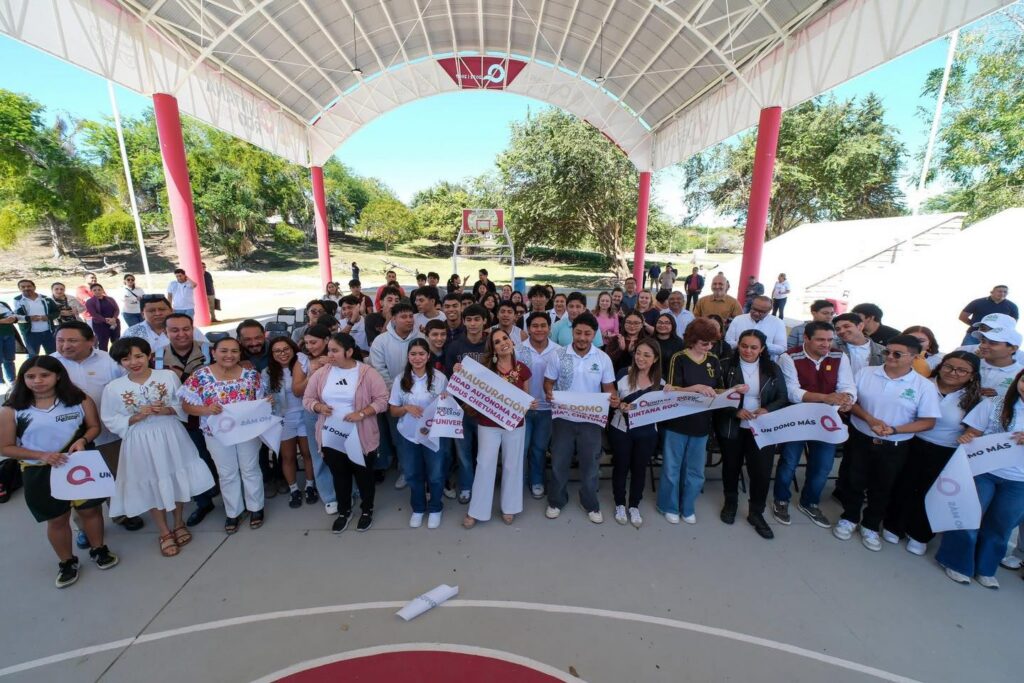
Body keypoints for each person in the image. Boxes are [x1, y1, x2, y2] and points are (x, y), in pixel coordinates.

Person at [0, 356, 117, 588]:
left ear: (58, 376)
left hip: (79, 464)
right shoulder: (11, 410)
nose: (37, 381)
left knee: (90, 510)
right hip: (40, 471)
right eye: (30, 376)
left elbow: (94, 427)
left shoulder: (79, 399)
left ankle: (99, 549)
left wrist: (83, 440)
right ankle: (67, 562)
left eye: (44, 375)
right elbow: (5, 447)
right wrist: (41, 455)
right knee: (56, 519)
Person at [102, 338, 214, 557]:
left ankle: (179, 522)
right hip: (139, 440)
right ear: (120, 362)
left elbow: (182, 402)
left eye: (138, 356)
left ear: (149, 356)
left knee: (176, 476)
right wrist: (136, 416)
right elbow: (109, 418)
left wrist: (168, 410)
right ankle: (163, 531)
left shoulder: (167, 376)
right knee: (152, 481)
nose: (134, 362)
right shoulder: (113, 388)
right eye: (126, 359)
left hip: (170, 433)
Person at [833, 335, 942, 551]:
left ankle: (871, 525)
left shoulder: (923, 386)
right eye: (887, 351)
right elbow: (852, 402)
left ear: (914, 357)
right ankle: (849, 517)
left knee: (883, 486)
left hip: (895, 445)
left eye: (897, 354)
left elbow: (928, 422)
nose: (890, 357)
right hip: (861, 437)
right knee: (853, 480)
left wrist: (894, 430)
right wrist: (870, 419)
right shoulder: (866, 373)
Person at [883, 351, 982, 556]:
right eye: (948, 367)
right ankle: (893, 524)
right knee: (902, 485)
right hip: (911, 441)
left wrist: (969, 435)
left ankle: (920, 534)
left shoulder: (975, 399)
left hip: (946, 451)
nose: (953, 373)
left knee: (932, 492)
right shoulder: (921, 384)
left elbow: (975, 429)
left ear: (972, 375)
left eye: (962, 370)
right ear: (940, 366)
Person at [936, 368, 1024, 587]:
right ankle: (955, 562)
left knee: (1002, 524)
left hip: (1019, 481)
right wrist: (968, 437)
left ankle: (986, 568)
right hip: (983, 470)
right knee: (968, 516)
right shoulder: (994, 404)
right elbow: (973, 431)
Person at [302, 333, 389, 533]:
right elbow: (307, 399)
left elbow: (382, 400)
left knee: (364, 475)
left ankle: (366, 510)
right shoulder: (321, 374)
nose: (330, 355)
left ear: (349, 352)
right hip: (331, 435)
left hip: (361, 436)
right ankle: (344, 511)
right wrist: (318, 407)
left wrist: (362, 413)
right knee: (339, 475)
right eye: (329, 350)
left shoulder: (367, 373)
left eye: (335, 351)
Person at [179, 337, 267, 534]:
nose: (229, 355)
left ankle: (256, 507)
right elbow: (186, 405)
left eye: (234, 351)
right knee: (227, 473)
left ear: (240, 353)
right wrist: (206, 409)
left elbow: (260, 402)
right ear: (213, 353)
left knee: (250, 468)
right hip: (216, 434)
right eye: (224, 351)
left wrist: (266, 403)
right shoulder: (200, 376)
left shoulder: (251, 376)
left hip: (247, 432)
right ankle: (233, 511)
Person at [773, 321, 855, 528]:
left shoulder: (840, 356)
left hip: (827, 419)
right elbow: (792, 392)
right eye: (820, 339)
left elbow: (847, 385)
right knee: (789, 461)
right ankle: (781, 499)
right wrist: (825, 397)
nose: (826, 344)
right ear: (806, 338)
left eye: (830, 340)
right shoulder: (789, 357)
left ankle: (809, 502)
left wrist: (847, 399)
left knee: (823, 466)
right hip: (797, 418)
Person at [544, 313, 616, 523]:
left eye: (587, 334)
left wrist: (613, 397)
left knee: (590, 464)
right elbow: (548, 382)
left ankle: (590, 503)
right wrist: (548, 392)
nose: (582, 338)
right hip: (563, 418)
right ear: (572, 332)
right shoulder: (558, 355)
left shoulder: (602, 358)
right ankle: (556, 501)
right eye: (578, 333)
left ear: (594, 334)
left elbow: (609, 387)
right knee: (559, 461)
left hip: (591, 420)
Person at [715, 330, 787, 538]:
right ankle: (730, 504)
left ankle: (756, 512)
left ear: (762, 349)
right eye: (744, 346)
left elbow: (782, 397)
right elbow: (715, 396)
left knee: (761, 471)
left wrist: (767, 409)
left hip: (761, 428)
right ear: (738, 345)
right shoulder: (725, 365)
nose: (748, 351)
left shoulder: (772, 368)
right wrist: (735, 411)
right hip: (732, 425)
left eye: (753, 347)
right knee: (731, 467)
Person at [657, 318, 722, 524]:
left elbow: (719, 388)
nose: (708, 347)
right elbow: (670, 390)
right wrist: (694, 388)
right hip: (677, 422)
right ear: (693, 340)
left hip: (702, 423)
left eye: (711, 343)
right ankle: (669, 506)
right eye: (704, 343)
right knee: (672, 467)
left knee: (695, 470)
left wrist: (733, 391)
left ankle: (687, 506)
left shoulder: (714, 360)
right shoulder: (679, 358)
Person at [464, 329, 532, 527]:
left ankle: (510, 507)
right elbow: (469, 386)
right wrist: (460, 370)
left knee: (512, 465)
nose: (503, 343)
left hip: (515, 425)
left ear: (512, 341)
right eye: (497, 341)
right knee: (485, 464)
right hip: (488, 425)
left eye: (505, 338)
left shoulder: (523, 369)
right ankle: (477, 510)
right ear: (492, 348)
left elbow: (525, 398)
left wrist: (530, 404)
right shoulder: (484, 370)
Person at [161, 313, 218, 526]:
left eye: (186, 329)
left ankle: (227, 494)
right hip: (180, 419)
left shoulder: (209, 350)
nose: (181, 334)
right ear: (165, 332)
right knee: (191, 459)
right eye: (174, 330)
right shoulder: (156, 357)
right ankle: (203, 502)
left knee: (217, 457)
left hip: (213, 415)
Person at [608, 338, 663, 528]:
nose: (641, 358)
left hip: (647, 432)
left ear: (655, 358)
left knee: (639, 469)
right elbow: (612, 399)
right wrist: (618, 404)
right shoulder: (623, 373)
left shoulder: (661, 382)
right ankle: (620, 504)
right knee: (621, 466)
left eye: (646, 355)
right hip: (621, 429)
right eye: (638, 353)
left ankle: (634, 505)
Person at [444, 304, 491, 502]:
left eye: (477, 319)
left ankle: (483, 486)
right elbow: (448, 377)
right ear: (464, 322)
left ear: (484, 321)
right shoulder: (455, 346)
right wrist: (455, 372)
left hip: (486, 409)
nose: (473, 324)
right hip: (461, 409)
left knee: (485, 452)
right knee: (463, 453)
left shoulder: (491, 344)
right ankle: (466, 485)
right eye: (469, 320)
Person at [263, 337, 316, 509]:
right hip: (284, 419)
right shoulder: (267, 373)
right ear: (272, 354)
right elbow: (262, 395)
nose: (282, 353)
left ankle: (310, 486)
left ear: (293, 349)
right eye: (277, 351)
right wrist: (266, 400)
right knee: (288, 456)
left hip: (305, 415)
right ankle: (294, 489)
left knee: (308, 453)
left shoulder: (303, 363)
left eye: (286, 349)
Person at [369, 301, 417, 487]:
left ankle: (412, 469)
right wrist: (396, 394)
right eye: (403, 316)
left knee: (416, 435)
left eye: (411, 316)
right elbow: (379, 369)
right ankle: (404, 470)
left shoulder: (421, 338)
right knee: (398, 436)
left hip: (417, 398)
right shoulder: (381, 341)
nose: (409, 320)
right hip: (393, 398)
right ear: (393, 319)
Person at [292, 324, 336, 515]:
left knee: (345, 451)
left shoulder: (339, 354)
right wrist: (312, 374)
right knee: (319, 453)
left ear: (326, 340)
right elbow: (297, 390)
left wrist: (335, 363)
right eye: (307, 343)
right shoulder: (302, 361)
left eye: (314, 342)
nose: (310, 347)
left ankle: (350, 489)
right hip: (313, 412)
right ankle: (329, 496)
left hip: (338, 411)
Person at [517, 312, 560, 500]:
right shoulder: (517, 350)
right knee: (521, 448)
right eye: (535, 326)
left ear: (549, 328)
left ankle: (536, 480)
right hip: (522, 409)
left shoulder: (559, 351)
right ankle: (517, 481)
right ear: (528, 329)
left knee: (539, 448)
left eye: (543, 326)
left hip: (547, 409)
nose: (539, 329)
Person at [971, 315, 1023, 400]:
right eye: (983, 341)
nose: (983, 346)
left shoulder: (1020, 374)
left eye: (993, 343)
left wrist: (999, 400)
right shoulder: (970, 365)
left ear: (1013, 348)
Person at [724, 295, 787, 359]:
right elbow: (728, 342)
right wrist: (743, 344)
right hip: (738, 360)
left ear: (769, 311)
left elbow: (782, 349)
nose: (756, 313)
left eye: (761, 312)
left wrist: (761, 345)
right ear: (751, 306)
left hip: (766, 362)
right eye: (754, 309)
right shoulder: (738, 319)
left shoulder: (778, 323)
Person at [13, 279, 59, 357]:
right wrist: (29, 318)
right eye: (23, 287)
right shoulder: (17, 300)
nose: (26, 288)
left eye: (29, 286)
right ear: (19, 289)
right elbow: (16, 317)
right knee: (32, 356)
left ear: (34, 287)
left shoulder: (45, 299)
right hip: (30, 334)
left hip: (48, 332)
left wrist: (48, 317)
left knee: (53, 355)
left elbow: (57, 312)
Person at [833, 312, 886, 377]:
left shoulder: (883, 351)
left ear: (860, 326)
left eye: (846, 326)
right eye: (838, 329)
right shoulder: (832, 347)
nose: (842, 331)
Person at [85, 283, 121, 351]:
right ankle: (104, 356)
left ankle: (116, 355)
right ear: (91, 291)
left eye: (99, 289)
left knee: (116, 341)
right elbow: (94, 314)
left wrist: (114, 318)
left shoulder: (110, 299)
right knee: (103, 343)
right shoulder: (89, 302)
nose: (97, 291)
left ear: (102, 290)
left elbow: (117, 309)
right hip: (100, 325)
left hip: (114, 322)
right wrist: (106, 320)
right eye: (94, 290)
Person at [651, 313, 684, 378]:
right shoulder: (649, 341)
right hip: (651, 377)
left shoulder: (680, 343)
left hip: (672, 378)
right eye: (660, 322)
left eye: (667, 323)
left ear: (673, 325)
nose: (662, 325)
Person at [0, 299, 16, 387]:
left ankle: (12, 381)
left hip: (9, 334)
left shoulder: (3, 303)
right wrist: (4, 321)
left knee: (9, 359)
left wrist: (12, 318)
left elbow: (13, 316)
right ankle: (1, 383)